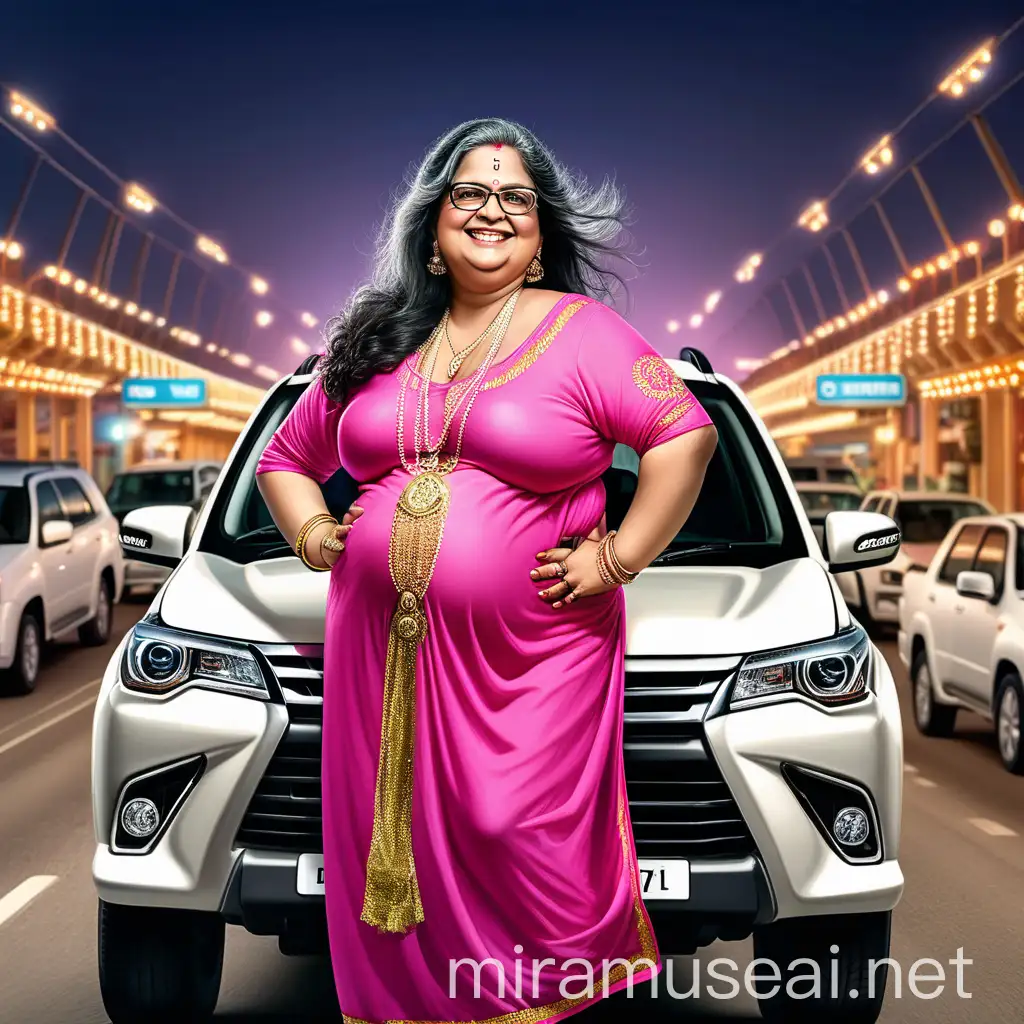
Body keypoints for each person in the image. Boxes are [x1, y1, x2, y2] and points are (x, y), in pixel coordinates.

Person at [255, 117, 717, 1024]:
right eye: (470, 193)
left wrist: (618, 556)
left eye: (515, 198)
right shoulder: (374, 343)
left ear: (542, 231)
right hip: (377, 655)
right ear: (433, 222)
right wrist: (315, 534)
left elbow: (684, 435)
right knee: (387, 847)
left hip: (532, 653)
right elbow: (285, 456)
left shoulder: (586, 334)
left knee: (511, 833)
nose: (492, 211)